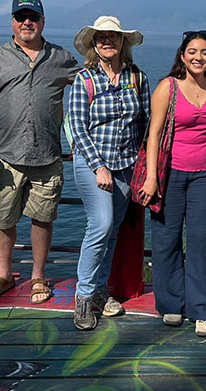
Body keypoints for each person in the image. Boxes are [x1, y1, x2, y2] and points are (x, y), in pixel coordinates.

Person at [0, 0, 80, 303]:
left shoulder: (62, 58)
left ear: (43, 21)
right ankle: (4, 274)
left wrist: (78, 136)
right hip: (5, 157)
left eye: (33, 16)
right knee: (4, 218)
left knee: (43, 217)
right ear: (12, 22)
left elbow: (88, 89)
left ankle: (37, 276)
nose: (27, 22)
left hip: (48, 155)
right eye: (21, 17)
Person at [68, 16, 150, 331]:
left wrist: (144, 165)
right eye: (101, 37)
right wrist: (99, 166)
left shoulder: (137, 77)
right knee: (100, 225)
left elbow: (145, 121)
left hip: (127, 165)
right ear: (93, 44)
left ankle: (101, 289)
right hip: (93, 164)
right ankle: (84, 296)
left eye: (113, 37)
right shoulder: (84, 79)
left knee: (113, 229)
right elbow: (77, 126)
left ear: (122, 43)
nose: (107, 42)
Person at [138, 30, 206, 337]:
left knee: (201, 240)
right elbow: (154, 134)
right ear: (182, 56)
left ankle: (202, 309)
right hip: (170, 173)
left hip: (205, 172)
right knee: (166, 239)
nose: (199, 57)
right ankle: (171, 304)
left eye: (205, 52)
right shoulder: (167, 87)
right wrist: (151, 177)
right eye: (193, 51)